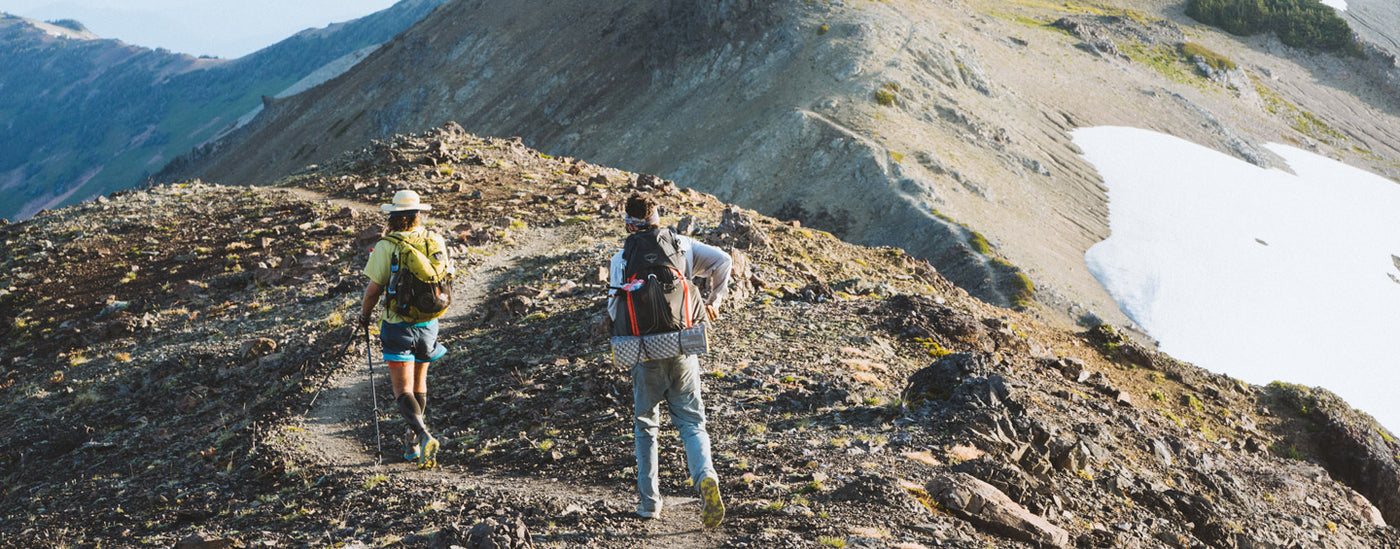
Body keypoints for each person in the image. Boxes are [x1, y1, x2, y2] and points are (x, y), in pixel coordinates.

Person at [608, 193, 731, 528]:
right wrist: (712, 301)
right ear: (657, 217)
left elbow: (613, 309)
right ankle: (706, 477)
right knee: (692, 424)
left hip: (645, 354)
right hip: (683, 348)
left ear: (629, 223)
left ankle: (649, 504)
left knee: (646, 426)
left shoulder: (622, 257)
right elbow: (723, 261)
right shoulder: (682, 245)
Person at [359, 190, 451, 468]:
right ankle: (412, 442)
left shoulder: (387, 246)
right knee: (420, 383)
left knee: (402, 390)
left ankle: (422, 435)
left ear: (393, 216)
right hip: (428, 323)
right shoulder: (435, 240)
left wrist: (364, 316)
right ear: (417, 215)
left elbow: (374, 289)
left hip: (398, 324)